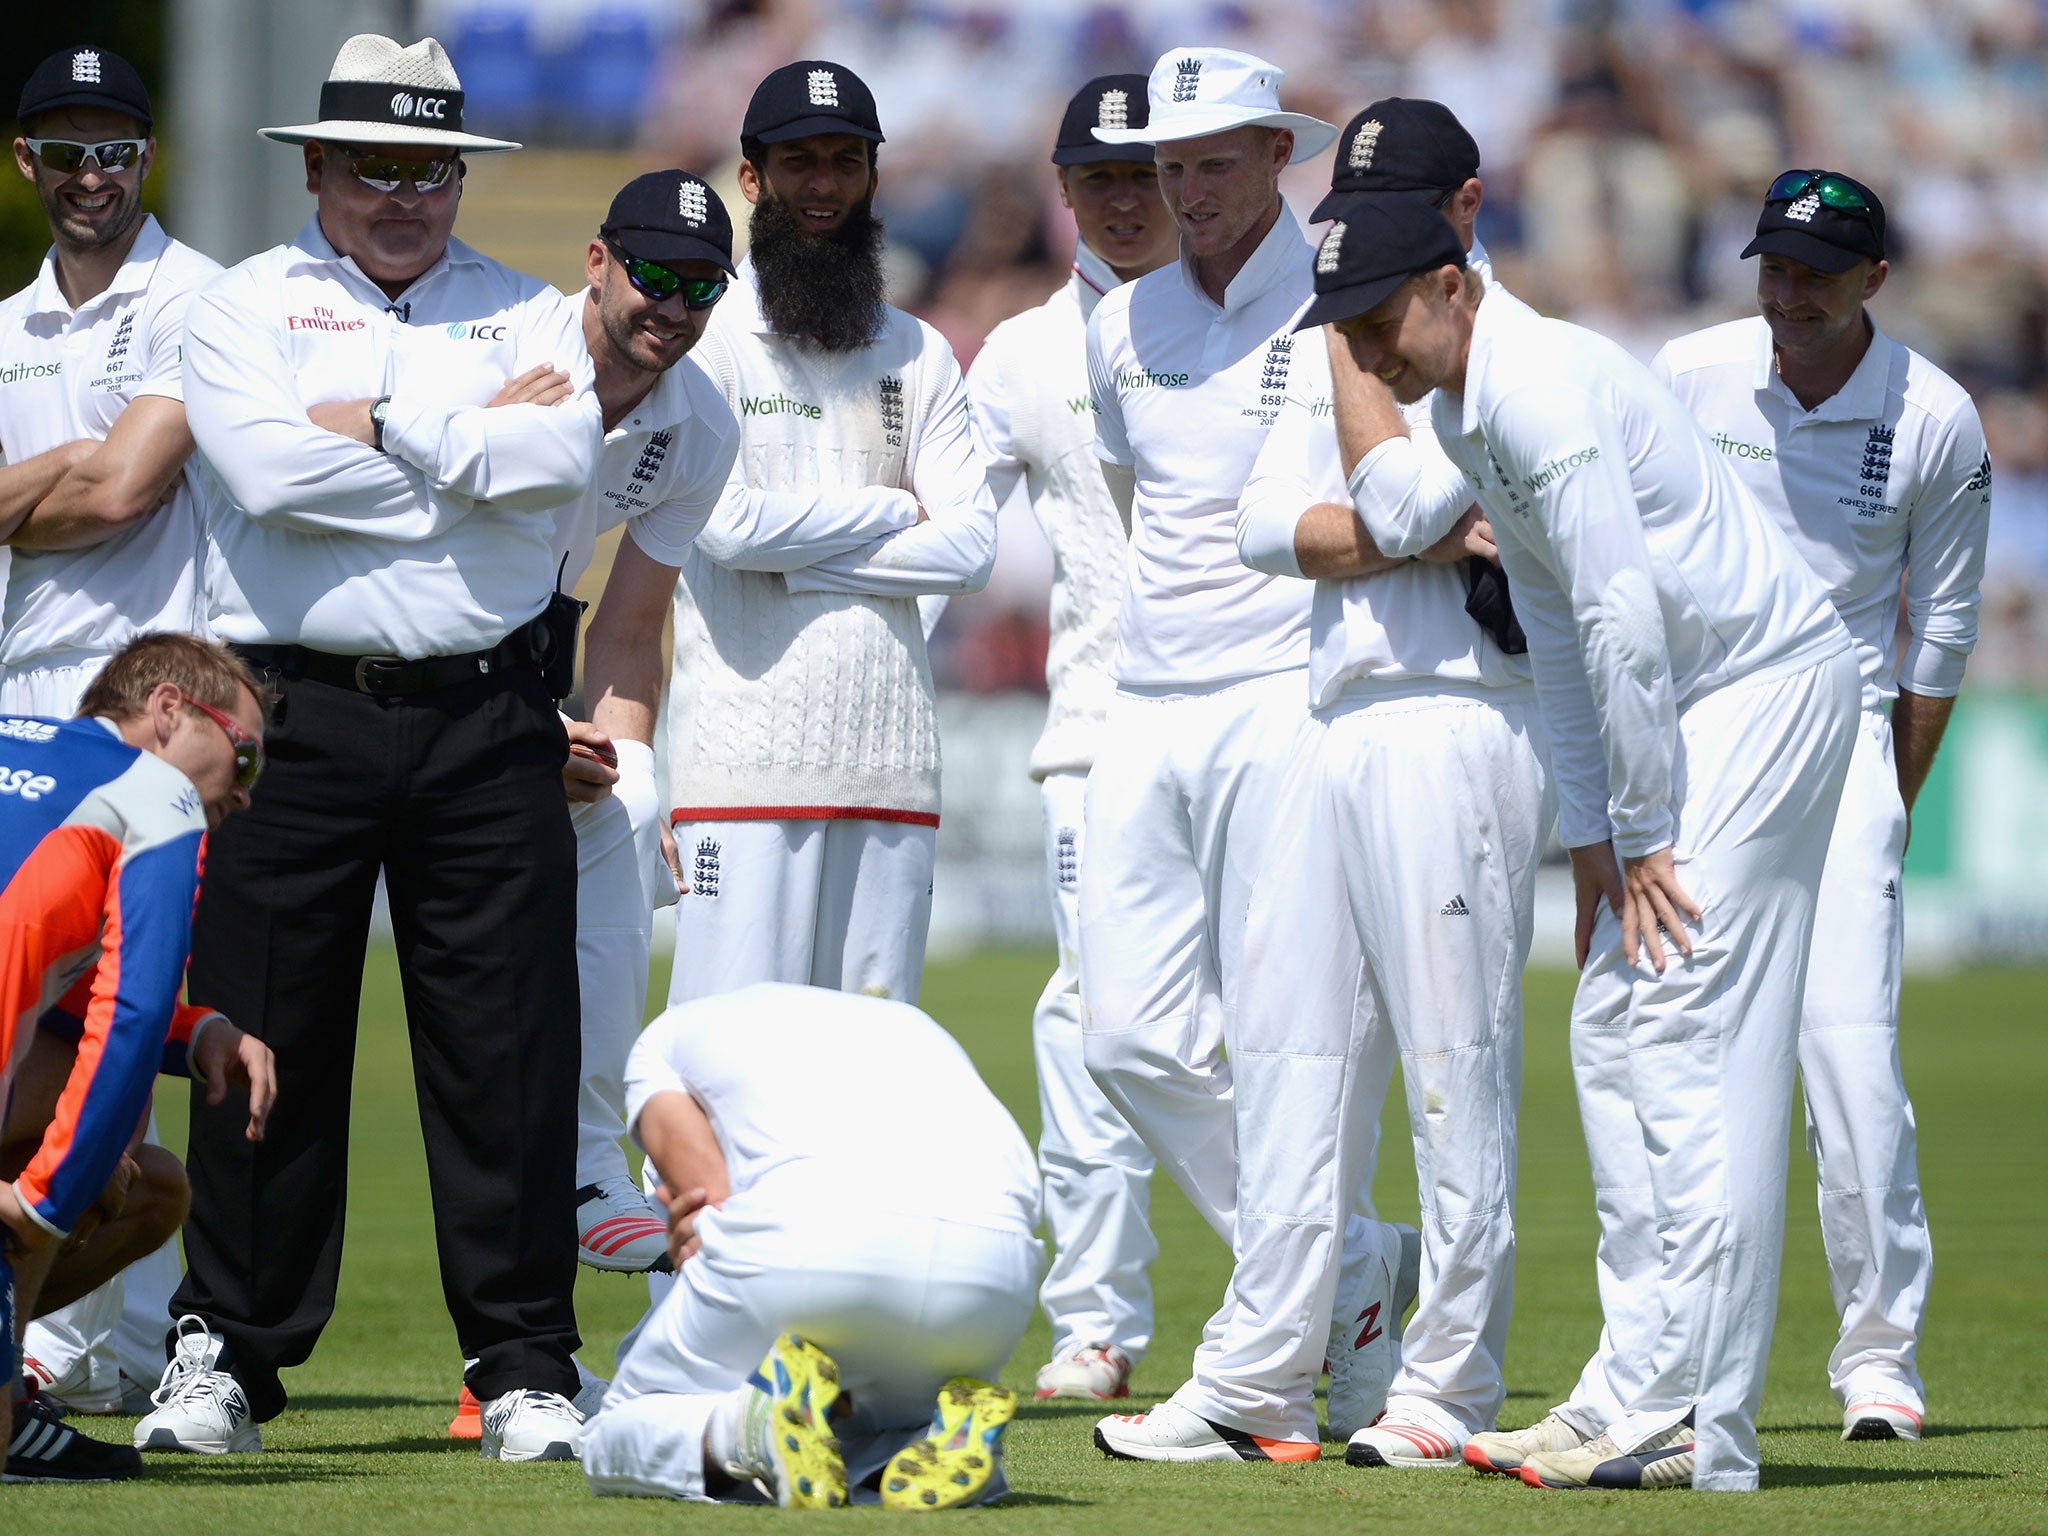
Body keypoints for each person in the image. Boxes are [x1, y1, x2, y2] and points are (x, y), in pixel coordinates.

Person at [1329, 193, 1858, 1491]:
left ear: (1453, 284)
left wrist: (1649, 825)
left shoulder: (1539, 387)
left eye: (1381, 313)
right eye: (1347, 324)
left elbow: (1621, 608)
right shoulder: (1464, 410)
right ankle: (1636, 1384)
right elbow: (1557, 631)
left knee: (1678, 1035)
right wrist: (1594, 843)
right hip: (1697, 712)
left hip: (1760, 690)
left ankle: (1698, 1421)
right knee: (1613, 1025)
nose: (1368, 349)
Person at [135, 34, 600, 1464]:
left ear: (460, 177)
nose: (407, 194)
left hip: (486, 707)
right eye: (378, 166)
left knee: (508, 1045)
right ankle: (228, 1355)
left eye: (433, 169)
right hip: (291, 713)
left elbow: (559, 474)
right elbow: (269, 481)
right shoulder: (241, 305)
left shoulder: (533, 312)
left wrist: (385, 426)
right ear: (319, 166)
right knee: (267, 1032)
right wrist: (464, 455)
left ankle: (526, 1365)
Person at [1072, 48, 1400, 1464]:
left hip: (1290, 690)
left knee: (1286, 1042)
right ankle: (1351, 1269)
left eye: (1216, 160)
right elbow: (1146, 501)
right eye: (1170, 164)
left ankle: (1259, 1376)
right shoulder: (1119, 325)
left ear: (1281, 155)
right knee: (1125, 1035)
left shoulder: (1336, 298)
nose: (1187, 188)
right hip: (1146, 702)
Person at [1229, 98, 1554, 1472]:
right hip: (1343, 714)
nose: (1352, 274)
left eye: (1386, 237)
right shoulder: (1343, 350)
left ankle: (1452, 1382)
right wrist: (1395, 537)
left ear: (1463, 217)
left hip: (1467, 718)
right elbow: (1261, 527)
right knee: (1308, 1061)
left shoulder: (1518, 355)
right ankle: (1278, 1365)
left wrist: (1381, 505)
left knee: (1456, 1066)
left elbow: (1424, 507)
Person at [1641, 172, 1984, 1443]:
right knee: (1668, 1049)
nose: (1783, 298)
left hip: (1839, 743)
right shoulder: (1686, 371)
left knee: (1846, 1054)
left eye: (1813, 278)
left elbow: (1938, 631)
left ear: (1873, 283)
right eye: (1770, 270)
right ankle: (1665, 1345)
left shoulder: (1935, 416)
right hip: (1698, 733)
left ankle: (1878, 1361)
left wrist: (1882, 796)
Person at [441, 169, 748, 1440]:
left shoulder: (702, 425)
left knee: (630, 800)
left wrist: (599, 744)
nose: (669, 307)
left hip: (525, 658)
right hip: (402, 647)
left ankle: (584, 1162)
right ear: (596, 261)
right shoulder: (495, 353)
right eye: (650, 276)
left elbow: (628, 622)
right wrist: (517, 722)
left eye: (699, 286)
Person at [662, 59, 997, 1008]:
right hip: (740, 768)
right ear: (752, 179)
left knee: (868, 1083)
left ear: (873, 179)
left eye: (845, 162)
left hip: (892, 772)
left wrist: (802, 565)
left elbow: (971, 547)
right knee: (727, 1061)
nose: (823, 185)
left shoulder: (918, 350)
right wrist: (894, 511)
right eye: (799, 161)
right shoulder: (710, 338)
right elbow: (725, 527)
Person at [2, 42, 222, 1421]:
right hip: (20, 707)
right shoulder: (6, 321)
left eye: (117, 150)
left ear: (149, 157)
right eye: (67, 151)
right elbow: (76, 479)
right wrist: (62, 474)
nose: (94, 175)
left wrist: (62, 481)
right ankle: (51, 1334)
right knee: (34, 1021)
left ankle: (117, 1339)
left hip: (147, 720)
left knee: (127, 1017)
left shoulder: (198, 297)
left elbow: (121, 493)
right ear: (25, 162)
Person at [964, 74, 1177, 1405]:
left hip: (1265, 724)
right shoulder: (1023, 353)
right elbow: (944, 525)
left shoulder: (1276, 326)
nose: (1126, 198)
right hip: (1097, 732)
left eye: (1146, 174)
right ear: (1066, 192)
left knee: (1286, 1024)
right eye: (1097, 178)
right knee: (1090, 1021)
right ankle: (1096, 1318)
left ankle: (1321, 1294)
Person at [579, 984, 1040, 1509]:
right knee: (861, 1425)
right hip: (995, 1273)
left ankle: (744, 1428)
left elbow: (710, 1204)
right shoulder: (909, 1022)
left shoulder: (661, 1042)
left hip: (813, 1241)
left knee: (611, 1435)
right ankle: (922, 1438)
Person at [0, 632, 273, 1482]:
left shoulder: (24, 744)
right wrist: (42, 1203)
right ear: (167, 712)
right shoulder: (157, 798)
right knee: (105, 1174)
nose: (248, 792)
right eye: (246, 755)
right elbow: (129, 1009)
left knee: (153, 1187)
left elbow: (72, 994)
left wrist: (199, 1035)